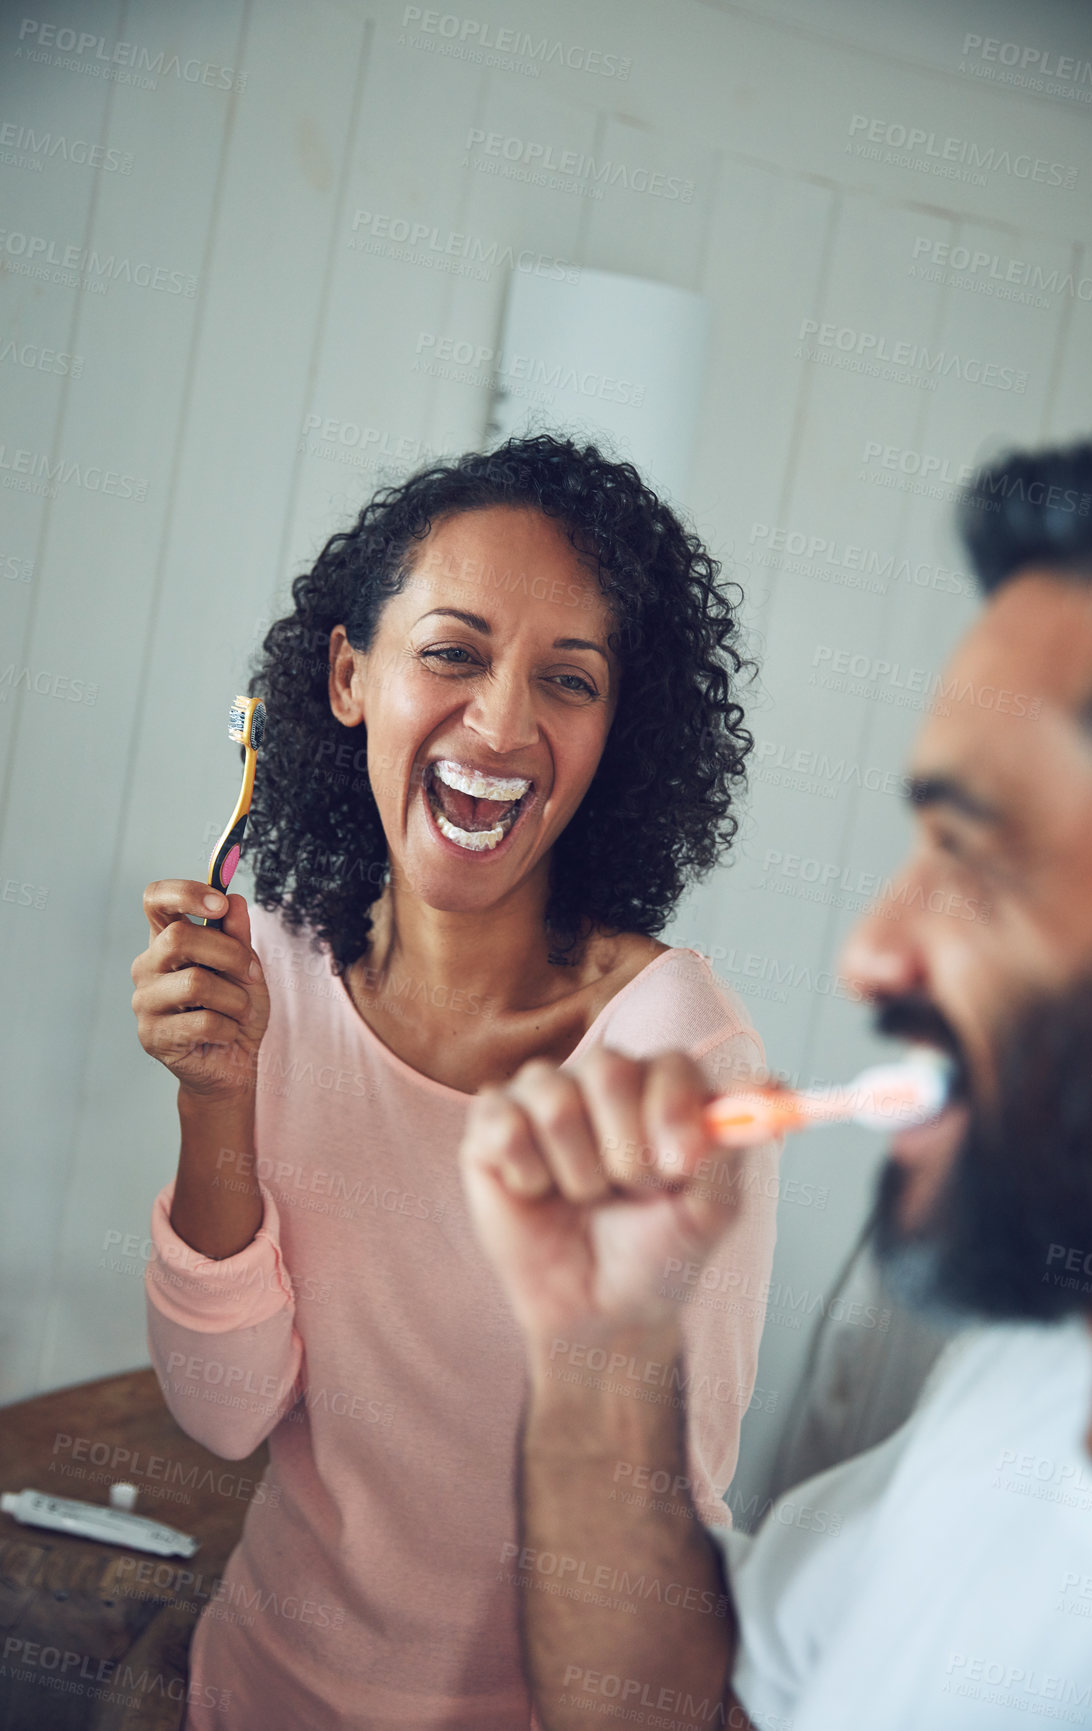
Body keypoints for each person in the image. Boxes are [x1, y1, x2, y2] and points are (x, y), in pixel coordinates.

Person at [461, 418, 1092, 1729]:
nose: (868, 952)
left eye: (975, 855)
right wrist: (604, 1347)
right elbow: (692, 1708)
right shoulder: (1041, 1371)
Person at [129, 434, 779, 1730]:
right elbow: (226, 1416)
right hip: (253, 1692)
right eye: (452, 651)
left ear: (617, 737)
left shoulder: (675, 1056)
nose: (500, 723)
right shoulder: (278, 970)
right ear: (348, 674)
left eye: (569, 680)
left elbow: (659, 1531)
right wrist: (218, 1097)